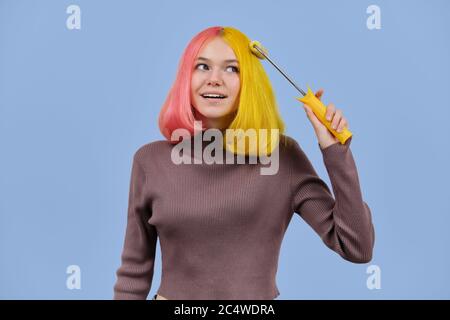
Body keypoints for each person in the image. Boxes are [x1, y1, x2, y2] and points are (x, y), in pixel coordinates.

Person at [113, 26, 375, 300]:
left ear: (249, 82)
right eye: (202, 66)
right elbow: (134, 271)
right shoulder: (149, 161)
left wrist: (335, 152)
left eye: (231, 69)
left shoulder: (282, 156)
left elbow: (356, 247)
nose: (214, 79)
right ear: (185, 79)